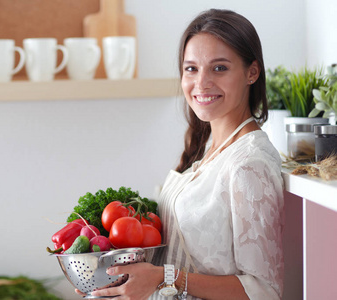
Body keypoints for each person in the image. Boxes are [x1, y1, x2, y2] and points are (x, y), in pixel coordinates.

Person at [77, 8, 284, 300]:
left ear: (252, 72)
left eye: (220, 67)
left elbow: (264, 291)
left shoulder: (249, 164)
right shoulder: (212, 146)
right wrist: (115, 278)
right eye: (191, 68)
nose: (201, 83)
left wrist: (165, 278)